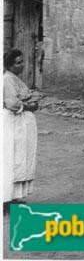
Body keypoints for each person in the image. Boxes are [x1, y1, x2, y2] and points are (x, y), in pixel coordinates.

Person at [3, 49, 38, 206]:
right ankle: (5, 197)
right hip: (13, 122)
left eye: (23, 61)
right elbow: (11, 103)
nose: (22, 65)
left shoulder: (15, 78)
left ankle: (14, 195)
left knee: (22, 156)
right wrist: (28, 106)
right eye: (18, 63)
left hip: (21, 121)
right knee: (13, 156)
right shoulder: (7, 80)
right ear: (10, 65)